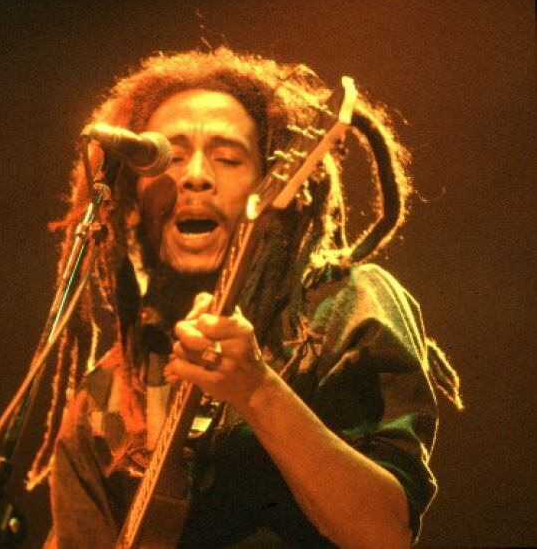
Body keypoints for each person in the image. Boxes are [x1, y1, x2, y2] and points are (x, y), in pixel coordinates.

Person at [25, 48, 462, 548]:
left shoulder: (345, 305)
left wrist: (257, 391)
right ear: (132, 198)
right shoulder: (104, 395)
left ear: (275, 185)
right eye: (168, 157)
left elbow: (385, 531)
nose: (195, 175)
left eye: (228, 158)